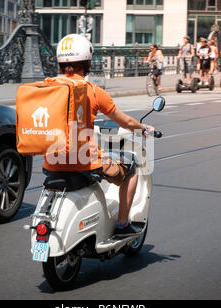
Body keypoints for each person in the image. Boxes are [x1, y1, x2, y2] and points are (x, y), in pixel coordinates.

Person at [47, 34, 155, 237]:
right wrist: (143, 128)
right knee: (131, 169)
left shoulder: (48, 87)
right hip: (84, 159)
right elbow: (125, 122)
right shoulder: (93, 91)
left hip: (53, 159)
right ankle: (122, 224)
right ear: (87, 62)